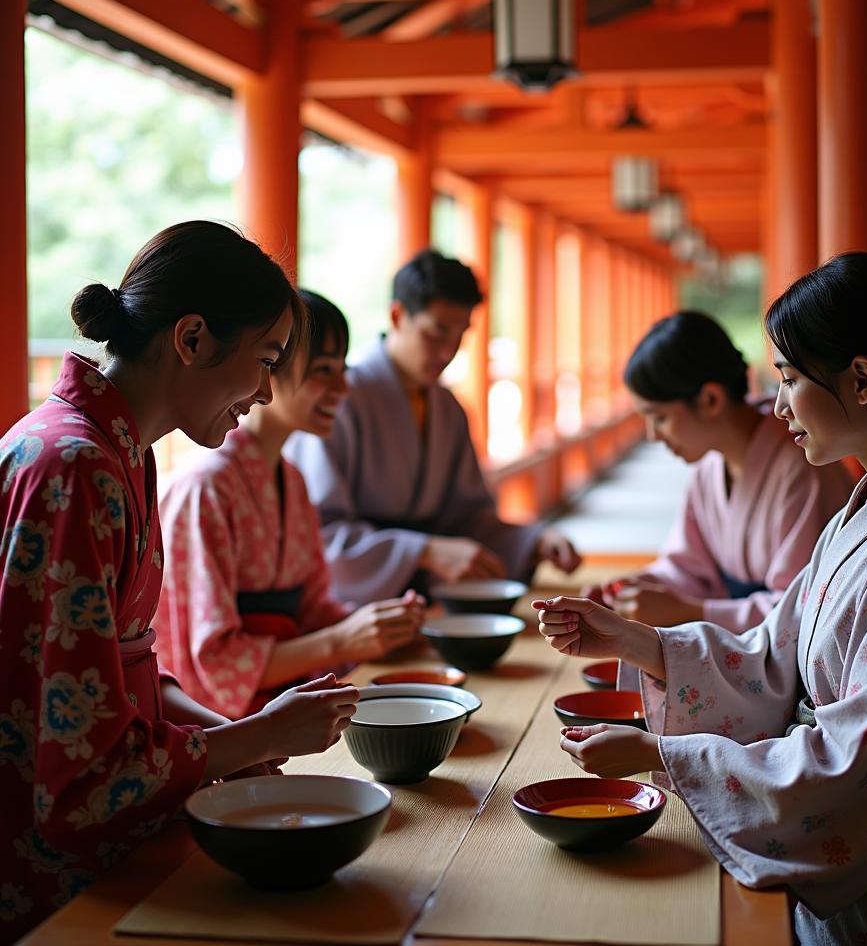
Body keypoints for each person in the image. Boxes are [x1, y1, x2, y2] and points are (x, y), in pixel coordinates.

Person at [534, 253, 867, 944]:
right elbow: (773, 656)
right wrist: (633, 639)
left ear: (860, 380)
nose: (779, 405)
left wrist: (663, 754)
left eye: (790, 380)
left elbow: (857, 762)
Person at [0, 222, 358, 942]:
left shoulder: (122, 454)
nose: (264, 391)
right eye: (264, 360)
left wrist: (238, 739)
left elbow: (133, 669)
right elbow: (76, 777)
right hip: (46, 871)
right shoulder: (75, 467)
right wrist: (253, 733)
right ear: (191, 339)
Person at [156, 291, 424, 719]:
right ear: (266, 371)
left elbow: (314, 608)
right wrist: (343, 641)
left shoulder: (292, 480)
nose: (343, 387)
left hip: (287, 707)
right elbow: (215, 662)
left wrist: (380, 626)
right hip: (225, 726)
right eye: (323, 371)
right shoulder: (205, 487)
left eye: (342, 370)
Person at [286, 248, 581, 604]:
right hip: (360, 604)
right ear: (398, 316)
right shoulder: (338, 398)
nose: (448, 352)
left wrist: (534, 540)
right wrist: (423, 551)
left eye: (460, 336)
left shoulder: (448, 407)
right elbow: (321, 533)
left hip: (427, 598)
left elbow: (467, 518)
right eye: (437, 332)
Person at [582, 311, 852, 633]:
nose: (653, 435)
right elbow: (689, 566)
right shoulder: (709, 468)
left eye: (660, 417)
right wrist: (635, 588)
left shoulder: (803, 466)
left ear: (711, 399)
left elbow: (800, 609)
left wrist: (692, 611)